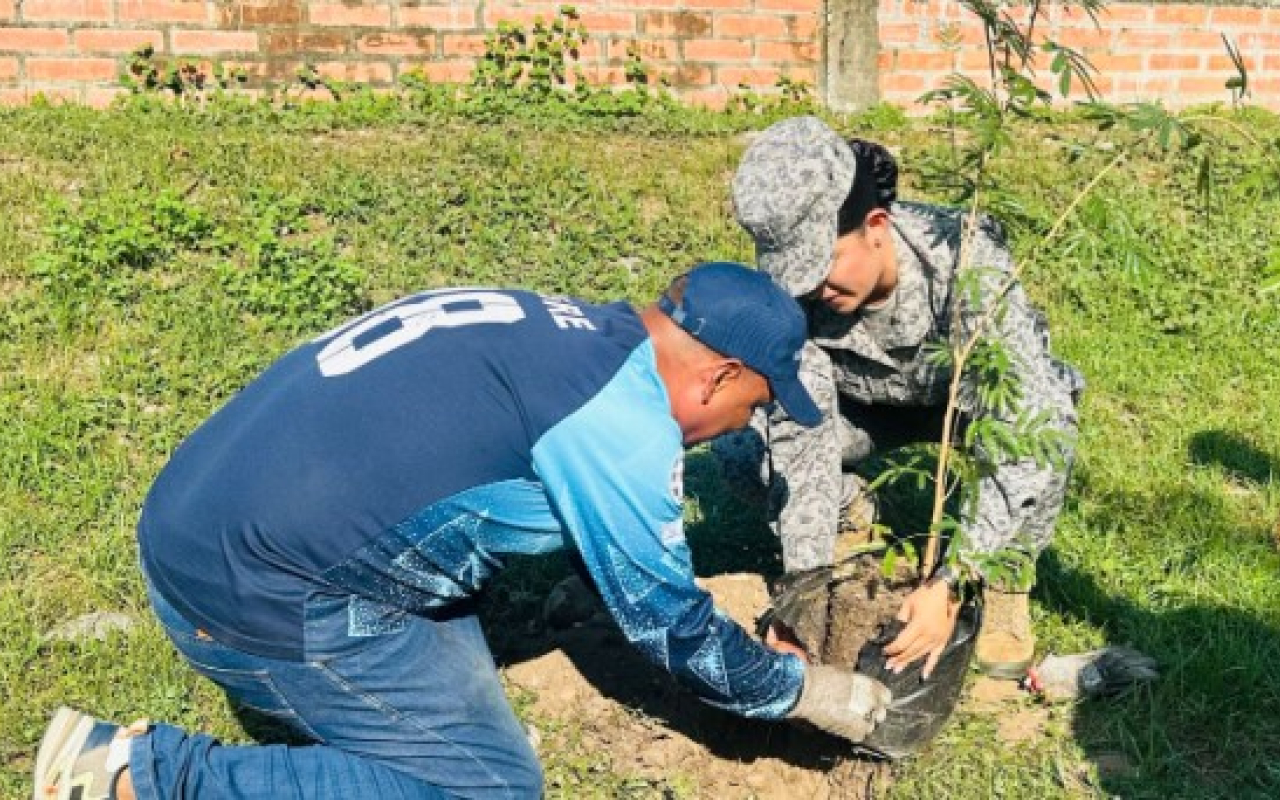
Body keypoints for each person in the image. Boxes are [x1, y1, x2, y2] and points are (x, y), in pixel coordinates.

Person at [34, 262, 892, 800]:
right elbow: (671, 627)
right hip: (251, 597)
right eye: (754, 405)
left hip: (198, 508)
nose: (745, 426)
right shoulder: (621, 427)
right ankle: (140, 776)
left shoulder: (565, 328)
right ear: (721, 376)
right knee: (487, 787)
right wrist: (808, 693)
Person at [717, 116, 1083, 681]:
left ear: (877, 226)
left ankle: (1007, 573)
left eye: (823, 267)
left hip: (969, 410)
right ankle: (852, 517)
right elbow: (799, 426)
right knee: (745, 441)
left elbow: (1026, 418)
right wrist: (804, 596)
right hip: (865, 409)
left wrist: (952, 581)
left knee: (1047, 417)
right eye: (798, 277)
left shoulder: (964, 266)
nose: (812, 290)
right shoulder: (798, 296)